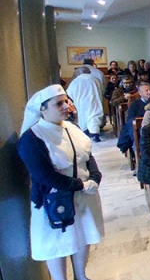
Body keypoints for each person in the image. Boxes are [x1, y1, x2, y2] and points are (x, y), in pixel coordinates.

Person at [17, 84, 104, 280]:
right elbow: (44, 175)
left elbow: (87, 156)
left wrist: (95, 178)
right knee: (59, 242)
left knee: (83, 235)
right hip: (54, 198)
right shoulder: (33, 137)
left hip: (83, 194)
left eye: (66, 101)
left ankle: (81, 275)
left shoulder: (71, 128)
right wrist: (80, 185)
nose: (66, 106)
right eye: (59, 104)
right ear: (43, 108)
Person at [66, 66, 104, 142]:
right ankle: (95, 134)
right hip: (94, 101)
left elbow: (69, 93)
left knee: (83, 117)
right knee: (94, 117)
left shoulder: (75, 81)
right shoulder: (95, 79)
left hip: (81, 103)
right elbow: (102, 90)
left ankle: (85, 132)